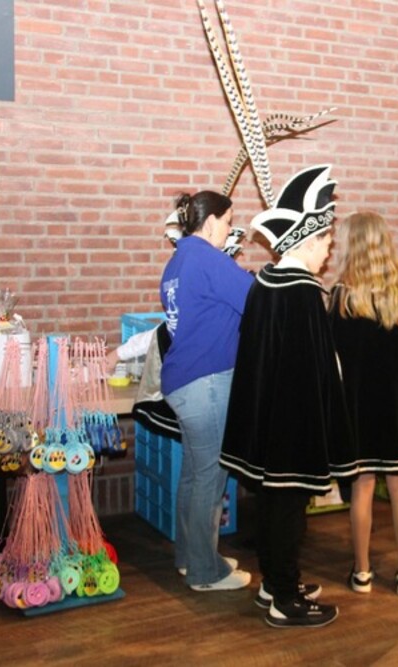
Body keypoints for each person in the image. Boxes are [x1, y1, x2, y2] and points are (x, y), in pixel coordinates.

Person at [221, 164, 359, 628]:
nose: (328, 250)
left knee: (273, 506)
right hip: (292, 426)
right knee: (288, 512)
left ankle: (275, 581)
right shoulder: (301, 293)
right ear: (305, 242)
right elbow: (312, 371)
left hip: (266, 418)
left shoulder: (266, 282)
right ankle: (285, 599)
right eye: (325, 241)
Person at [329, 211, 398, 598]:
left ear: (351, 245)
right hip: (397, 410)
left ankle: (361, 573)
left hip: (357, 410)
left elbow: (333, 364)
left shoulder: (342, 298)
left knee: (361, 488)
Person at [158, 189, 254, 592]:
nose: (230, 230)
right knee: (211, 477)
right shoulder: (209, 260)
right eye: (229, 222)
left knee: (194, 476)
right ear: (211, 221)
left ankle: (191, 557)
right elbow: (256, 301)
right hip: (207, 382)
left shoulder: (178, 261)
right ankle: (205, 572)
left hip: (184, 381)